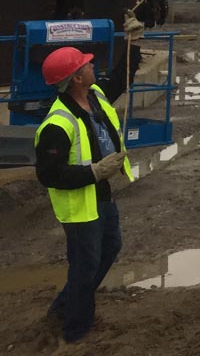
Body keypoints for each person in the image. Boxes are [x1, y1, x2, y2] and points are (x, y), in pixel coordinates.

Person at [34, 23, 144, 345]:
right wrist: (94, 172)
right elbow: (48, 175)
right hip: (80, 206)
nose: (93, 65)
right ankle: (75, 330)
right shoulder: (57, 124)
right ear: (76, 79)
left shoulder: (94, 96)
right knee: (86, 265)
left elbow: (121, 79)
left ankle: (63, 308)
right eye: (87, 64)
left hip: (101, 195)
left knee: (111, 248)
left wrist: (133, 42)